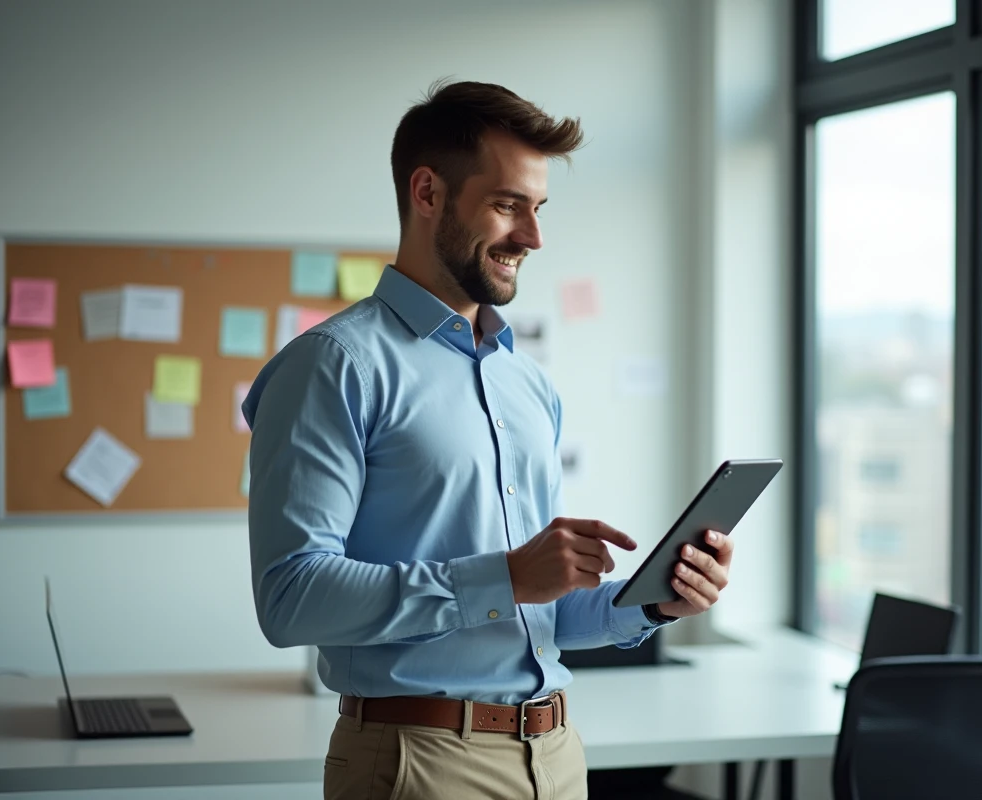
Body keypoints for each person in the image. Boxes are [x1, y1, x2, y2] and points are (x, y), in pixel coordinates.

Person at [242, 80, 736, 800]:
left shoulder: (528, 386)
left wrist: (655, 600)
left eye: (538, 209)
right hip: (421, 763)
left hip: (557, 757)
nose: (532, 238)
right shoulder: (333, 367)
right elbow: (290, 597)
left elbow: (545, 612)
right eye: (508, 205)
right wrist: (502, 579)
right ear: (428, 192)